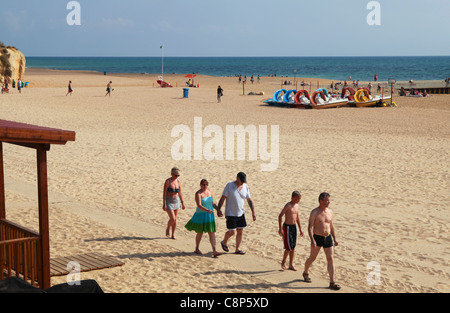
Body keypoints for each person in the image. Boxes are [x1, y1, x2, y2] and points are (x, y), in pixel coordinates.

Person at [303, 192, 341, 291]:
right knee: (312, 258)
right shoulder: (315, 212)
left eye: (329, 200)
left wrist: (335, 238)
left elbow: (331, 226)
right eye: (327, 200)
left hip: (328, 238)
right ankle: (305, 272)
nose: (328, 202)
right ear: (321, 201)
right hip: (317, 238)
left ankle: (332, 282)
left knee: (330, 259)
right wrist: (312, 240)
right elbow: (310, 227)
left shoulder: (330, 212)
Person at [216, 172, 256, 255]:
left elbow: (249, 200)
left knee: (240, 230)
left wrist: (253, 212)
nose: (242, 182)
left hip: (241, 212)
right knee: (232, 231)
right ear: (237, 178)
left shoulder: (245, 186)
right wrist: (219, 209)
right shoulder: (229, 186)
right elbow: (223, 198)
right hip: (230, 212)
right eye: (241, 180)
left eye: (244, 181)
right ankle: (224, 242)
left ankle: (237, 249)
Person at [185, 179, 222, 258]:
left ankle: (214, 250)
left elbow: (213, 203)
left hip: (209, 215)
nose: (205, 186)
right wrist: (207, 210)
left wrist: (218, 209)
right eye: (203, 184)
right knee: (200, 232)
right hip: (201, 215)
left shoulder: (209, 192)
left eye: (206, 184)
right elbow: (199, 205)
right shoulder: (198, 193)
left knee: (211, 232)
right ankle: (197, 248)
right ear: (200, 185)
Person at [278, 191, 304, 271]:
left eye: (299, 199)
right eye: (297, 199)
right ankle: (283, 261)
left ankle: (291, 264)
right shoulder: (288, 206)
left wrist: (300, 229)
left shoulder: (297, 206)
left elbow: (297, 217)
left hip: (294, 227)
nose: (298, 200)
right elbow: (280, 216)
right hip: (287, 227)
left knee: (293, 247)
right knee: (288, 247)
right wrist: (280, 228)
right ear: (293, 198)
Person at [162, 167, 186, 239]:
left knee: (175, 219)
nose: (176, 177)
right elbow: (164, 193)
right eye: (175, 175)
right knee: (172, 218)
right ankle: (168, 228)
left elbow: (180, 193)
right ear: (172, 174)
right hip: (169, 200)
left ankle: (173, 234)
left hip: (176, 200)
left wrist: (182, 202)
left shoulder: (178, 182)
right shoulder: (168, 181)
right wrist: (164, 203)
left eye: (178, 175)